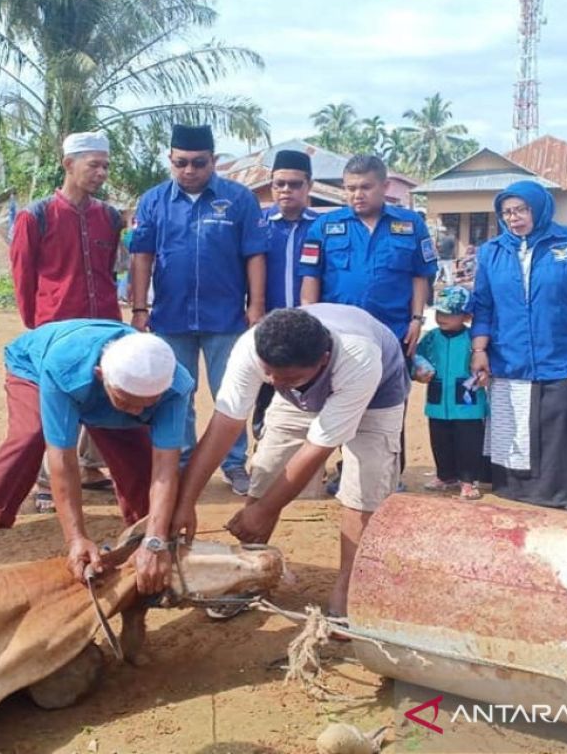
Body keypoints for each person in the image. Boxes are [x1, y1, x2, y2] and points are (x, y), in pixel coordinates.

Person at [171, 304, 409, 618]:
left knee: (364, 488)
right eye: (267, 372)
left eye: (286, 376)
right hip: (299, 396)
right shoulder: (253, 347)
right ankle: (249, 573)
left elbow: (318, 447)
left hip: (377, 396)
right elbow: (223, 427)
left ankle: (350, 585)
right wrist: (186, 502)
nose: (272, 381)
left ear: (323, 360)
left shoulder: (358, 356)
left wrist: (264, 510)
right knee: (267, 467)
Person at [0, 321, 194, 592]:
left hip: (97, 388)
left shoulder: (174, 385)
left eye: (146, 403)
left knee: (138, 462)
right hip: (35, 369)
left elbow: (164, 468)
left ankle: (145, 551)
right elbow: (62, 461)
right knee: (29, 437)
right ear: (101, 375)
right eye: (125, 400)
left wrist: (155, 541)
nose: (134, 411)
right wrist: (76, 539)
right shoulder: (64, 369)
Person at [129, 124, 268, 495]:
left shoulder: (238, 199)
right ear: (170, 160)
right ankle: (183, 460)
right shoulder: (153, 201)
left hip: (226, 318)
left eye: (198, 163)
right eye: (181, 163)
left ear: (214, 161)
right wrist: (140, 307)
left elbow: (254, 254)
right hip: (170, 318)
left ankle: (234, 463)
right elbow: (141, 256)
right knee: (177, 393)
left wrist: (255, 306)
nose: (189, 171)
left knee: (232, 393)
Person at [470, 180, 567, 510]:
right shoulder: (491, 252)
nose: (514, 218)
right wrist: (479, 350)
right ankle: (519, 489)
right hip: (509, 353)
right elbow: (483, 305)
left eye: (522, 209)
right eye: (507, 212)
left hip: (563, 351)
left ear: (539, 208)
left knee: (564, 417)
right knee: (517, 421)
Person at [11, 131, 124, 511]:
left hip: (105, 323)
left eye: (106, 165)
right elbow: (22, 275)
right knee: (58, 397)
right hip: (56, 326)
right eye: (94, 165)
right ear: (68, 164)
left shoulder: (109, 217)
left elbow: (109, 271)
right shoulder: (36, 216)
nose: (101, 173)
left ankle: (91, 467)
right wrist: (36, 324)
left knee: (105, 391)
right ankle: (48, 480)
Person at [299, 154, 437, 354]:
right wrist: (312, 326)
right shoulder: (324, 226)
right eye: (350, 188)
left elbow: (420, 275)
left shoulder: (411, 224)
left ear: (385, 186)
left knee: (392, 386)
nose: (357, 194)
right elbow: (311, 277)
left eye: (366, 187)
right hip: (338, 336)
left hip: (395, 333)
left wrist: (417, 319)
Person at [254, 149, 319, 442]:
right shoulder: (258, 225)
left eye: (294, 184)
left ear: (309, 186)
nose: (285, 190)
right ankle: (264, 462)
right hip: (266, 327)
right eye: (279, 184)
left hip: (313, 329)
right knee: (265, 395)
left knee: (316, 396)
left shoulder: (323, 227)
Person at [415, 286, 489, 500]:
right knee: (440, 441)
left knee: (468, 442)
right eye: (440, 312)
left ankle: (468, 481)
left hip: (467, 403)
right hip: (438, 403)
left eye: (450, 313)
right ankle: (445, 476)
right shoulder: (431, 338)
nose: (442, 317)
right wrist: (418, 371)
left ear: (466, 316)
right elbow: (417, 357)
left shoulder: (474, 340)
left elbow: (485, 365)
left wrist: (485, 376)